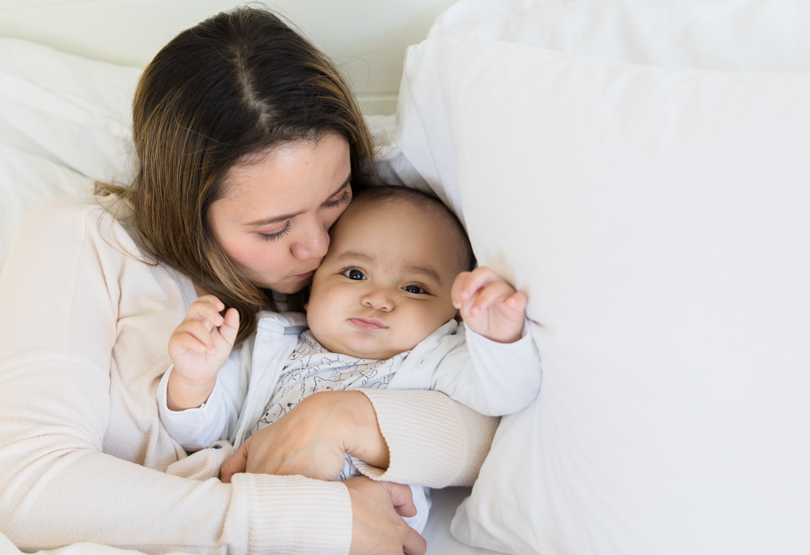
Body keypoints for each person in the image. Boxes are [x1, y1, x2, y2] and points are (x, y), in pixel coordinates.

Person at [0, 7, 501, 555]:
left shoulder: (366, 260)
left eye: (335, 198)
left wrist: (340, 417)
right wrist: (309, 516)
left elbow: (489, 437)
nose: (317, 247)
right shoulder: (83, 243)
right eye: (271, 228)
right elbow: (37, 492)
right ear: (186, 209)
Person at [158, 187, 542, 533]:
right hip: (252, 514)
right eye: (355, 273)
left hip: (356, 530)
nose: (378, 298)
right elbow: (200, 433)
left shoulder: (436, 357)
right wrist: (194, 378)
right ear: (311, 289)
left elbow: (503, 395)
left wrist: (495, 336)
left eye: (414, 288)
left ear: (451, 316)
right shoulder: (273, 346)